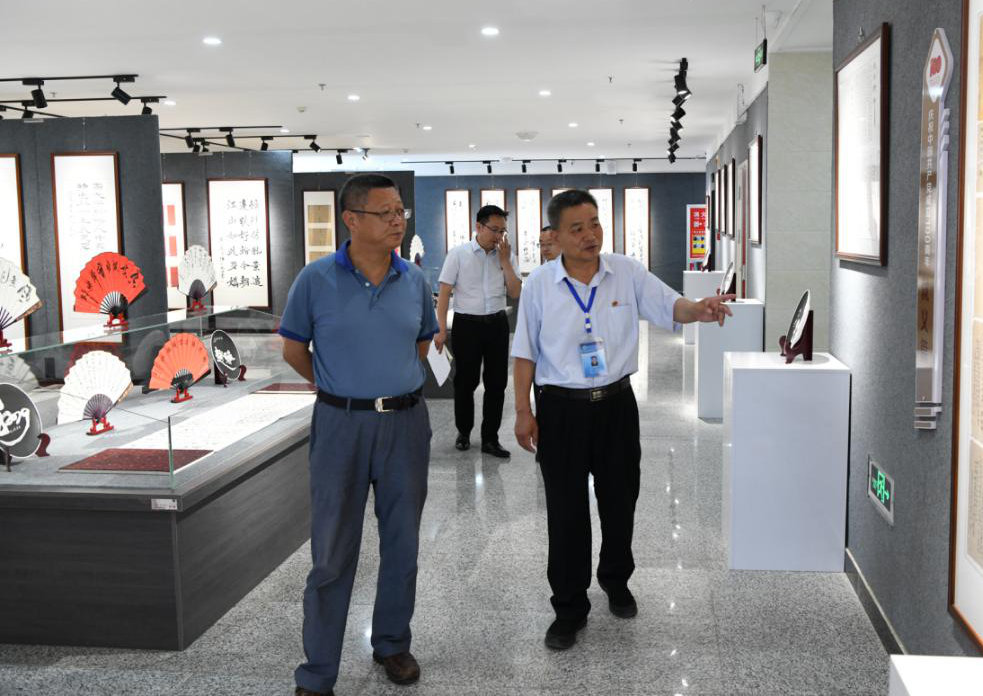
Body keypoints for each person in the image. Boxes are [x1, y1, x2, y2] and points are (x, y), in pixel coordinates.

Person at [511, 189, 733, 650]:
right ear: (555, 235)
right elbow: (525, 353)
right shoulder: (539, 286)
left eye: (595, 223)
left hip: (616, 405)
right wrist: (523, 412)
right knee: (566, 511)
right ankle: (569, 606)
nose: (590, 234)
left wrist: (700, 310)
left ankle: (615, 579)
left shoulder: (626, 272)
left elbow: (670, 304)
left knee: (620, 500)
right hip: (561, 409)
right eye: (577, 228)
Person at [279, 174, 437, 695]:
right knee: (331, 552)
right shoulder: (315, 279)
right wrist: (341, 386)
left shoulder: (414, 280)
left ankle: (392, 643)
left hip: (404, 424)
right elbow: (294, 349)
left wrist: (386, 385)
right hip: (340, 425)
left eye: (400, 212)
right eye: (385, 212)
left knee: (403, 543)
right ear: (351, 219)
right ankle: (318, 670)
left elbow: (421, 344)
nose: (397, 221)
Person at [435, 204, 522, 458]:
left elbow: (515, 292)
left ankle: (490, 439)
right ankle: (463, 432)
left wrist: (505, 262)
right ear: (478, 227)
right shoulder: (458, 254)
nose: (499, 236)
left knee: (497, 383)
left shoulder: (507, 255)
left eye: (502, 231)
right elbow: (444, 293)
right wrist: (440, 329)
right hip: (466, 325)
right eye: (494, 230)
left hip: (497, 323)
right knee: (465, 382)